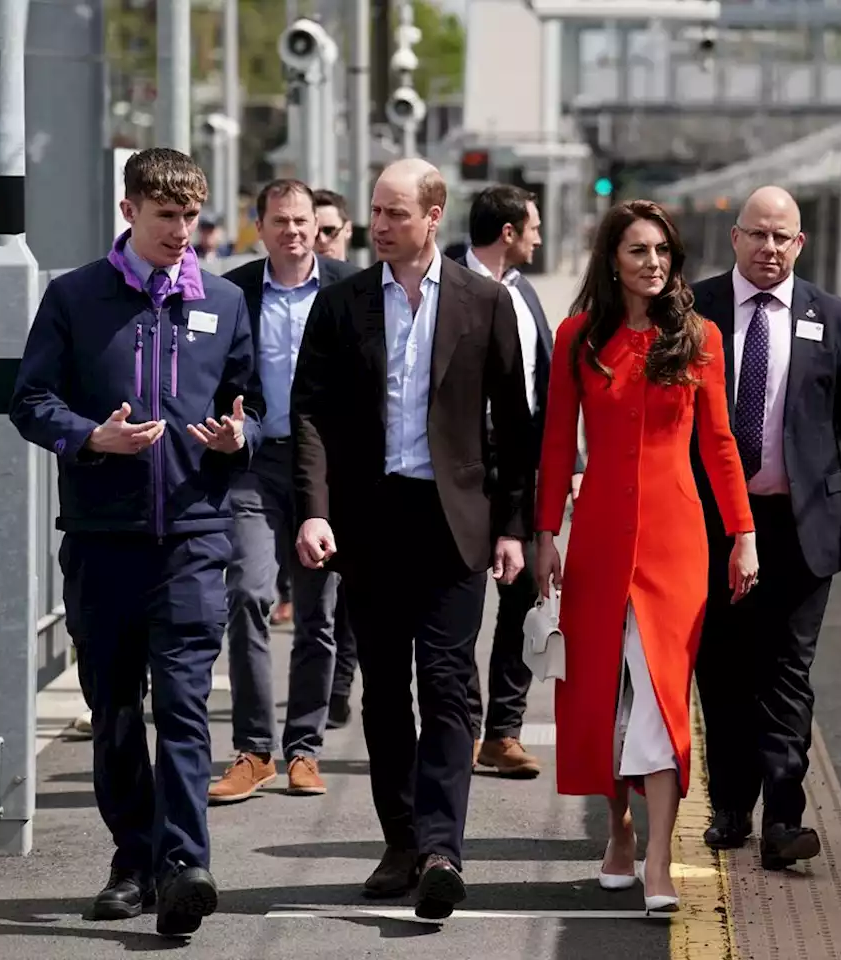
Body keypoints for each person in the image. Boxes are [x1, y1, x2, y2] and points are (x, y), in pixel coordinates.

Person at [9, 147, 263, 937]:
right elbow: (30, 400)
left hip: (192, 537)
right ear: (130, 212)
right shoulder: (75, 297)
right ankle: (133, 859)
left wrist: (234, 440)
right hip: (102, 541)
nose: (183, 232)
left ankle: (186, 865)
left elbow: (247, 407)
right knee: (116, 711)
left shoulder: (222, 300)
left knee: (184, 709)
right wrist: (92, 438)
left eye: (192, 216)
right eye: (166, 217)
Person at [291, 158, 533, 921]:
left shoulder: (484, 303)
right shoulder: (343, 303)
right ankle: (401, 840)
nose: (379, 227)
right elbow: (309, 413)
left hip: (452, 521)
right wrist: (315, 509)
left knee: (448, 684)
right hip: (368, 521)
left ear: (434, 217)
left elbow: (517, 428)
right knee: (386, 692)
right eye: (375, 213)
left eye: (395, 213)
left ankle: (441, 849)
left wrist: (514, 527)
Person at [534, 199, 758, 913]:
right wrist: (545, 536)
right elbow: (553, 447)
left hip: (677, 544)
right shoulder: (578, 338)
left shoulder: (701, 338)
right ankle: (619, 832)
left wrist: (743, 534)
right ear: (613, 261)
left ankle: (658, 857)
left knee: (661, 696)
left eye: (662, 250)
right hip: (598, 538)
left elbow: (720, 446)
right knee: (603, 693)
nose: (654, 263)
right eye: (638, 251)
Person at [689, 186, 841, 866]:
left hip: (802, 523)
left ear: (800, 244)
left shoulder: (832, 317)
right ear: (735, 238)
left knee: (787, 671)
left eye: (783, 237)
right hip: (716, 523)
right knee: (721, 669)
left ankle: (784, 817)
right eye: (758, 234)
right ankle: (729, 804)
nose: (770, 248)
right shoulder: (696, 309)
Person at [208, 180, 360, 804]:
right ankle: (253, 750)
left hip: (325, 470)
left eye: (304, 221)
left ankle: (304, 748)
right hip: (254, 464)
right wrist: (225, 422)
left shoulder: (349, 288)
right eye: (280, 220)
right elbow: (210, 372)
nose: (294, 231)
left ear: (318, 228)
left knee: (320, 612)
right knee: (247, 593)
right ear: (260, 224)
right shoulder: (232, 291)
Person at [456, 184, 585, 777]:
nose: (537, 236)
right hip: (459, 464)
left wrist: (572, 460)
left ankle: (502, 732)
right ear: (507, 232)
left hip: (521, 464)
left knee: (522, 596)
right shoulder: (447, 286)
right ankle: (460, 723)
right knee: (456, 600)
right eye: (531, 227)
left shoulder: (524, 292)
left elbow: (549, 385)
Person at [309, 188, 361, 728]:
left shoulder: (359, 291)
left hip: (353, 460)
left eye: (328, 232)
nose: (319, 241)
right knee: (320, 590)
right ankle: (330, 686)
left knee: (346, 589)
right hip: (300, 453)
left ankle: (340, 681)